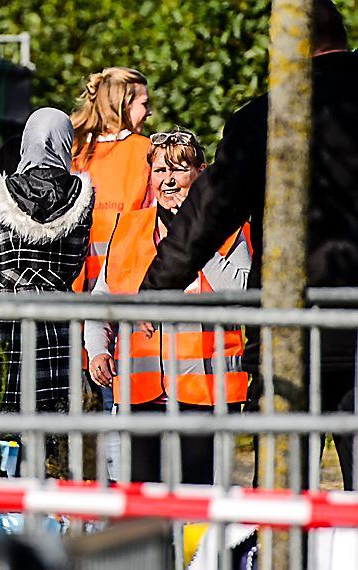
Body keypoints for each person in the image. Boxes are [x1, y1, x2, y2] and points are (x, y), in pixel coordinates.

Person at [139, 0, 358, 488]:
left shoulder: (269, 115)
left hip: (290, 320)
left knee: (283, 485)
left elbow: (210, 209)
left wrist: (157, 288)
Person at [85, 130, 251, 483]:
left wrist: (195, 240)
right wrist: (97, 349)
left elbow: (239, 291)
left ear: (201, 173)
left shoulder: (231, 228)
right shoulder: (128, 228)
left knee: (196, 507)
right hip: (140, 394)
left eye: (178, 169)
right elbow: (103, 299)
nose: (168, 180)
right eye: (160, 170)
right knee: (142, 507)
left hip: (204, 395)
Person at [0, 108, 94, 415]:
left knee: (2, 422)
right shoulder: (81, 197)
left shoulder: (3, 195)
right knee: (51, 425)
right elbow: (74, 264)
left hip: (6, 321)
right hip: (57, 324)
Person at [70, 67, 152, 293]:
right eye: (144, 104)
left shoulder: (73, 150)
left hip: (75, 285)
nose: (150, 112)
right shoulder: (146, 151)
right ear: (124, 104)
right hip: (128, 281)